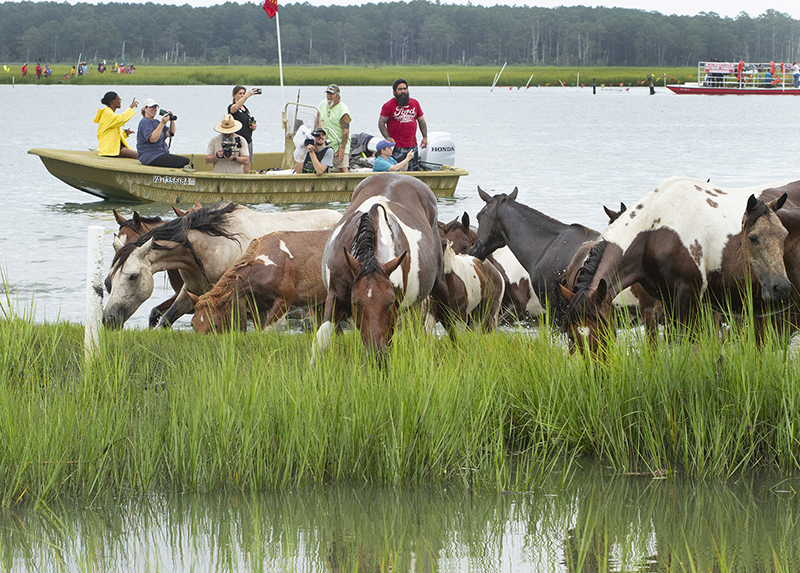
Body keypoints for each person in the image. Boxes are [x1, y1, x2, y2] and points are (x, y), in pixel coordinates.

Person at [378, 78, 428, 171]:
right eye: (400, 89)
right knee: (398, 173)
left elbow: (421, 121)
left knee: (413, 173)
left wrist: (424, 137)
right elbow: (381, 123)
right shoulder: (388, 105)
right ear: (394, 92)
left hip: (412, 146)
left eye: (405, 89)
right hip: (396, 147)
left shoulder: (415, 103)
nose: (403, 91)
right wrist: (387, 137)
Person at [136, 98, 190, 168]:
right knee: (184, 162)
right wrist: (162, 123)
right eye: (151, 107)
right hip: (150, 156)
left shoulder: (156, 122)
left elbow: (170, 133)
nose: (154, 109)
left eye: (155, 107)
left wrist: (172, 120)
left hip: (160, 153)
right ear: (145, 109)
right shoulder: (144, 122)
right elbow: (152, 139)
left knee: (185, 161)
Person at [93, 91, 139, 159]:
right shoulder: (107, 113)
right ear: (113, 101)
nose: (120, 102)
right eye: (119, 100)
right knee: (137, 155)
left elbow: (113, 133)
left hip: (116, 146)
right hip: (109, 148)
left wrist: (125, 133)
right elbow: (121, 119)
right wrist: (130, 108)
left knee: (138, 153)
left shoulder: (111, 114)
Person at [317, 84, 351, 173]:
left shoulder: (343, 110)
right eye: (327, 93)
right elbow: (317, 122)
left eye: (331, 94)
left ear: (337, 95)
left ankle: (349, 185)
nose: (329, 96)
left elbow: (346, 131)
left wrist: (342, 148)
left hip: (339, 144)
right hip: (325, 144)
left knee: (342, 167)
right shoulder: (322, 105)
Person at [227, 85, 258, 173]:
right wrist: (247, 96)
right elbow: (236, 107)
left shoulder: (246, 109)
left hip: (248, 138)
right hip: (238, 139)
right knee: (239, 162)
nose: (242, 95)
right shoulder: (232, 107)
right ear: (234, 95)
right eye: (240, 93)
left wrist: (253, 127)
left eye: (243, 93)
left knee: (247, 163)